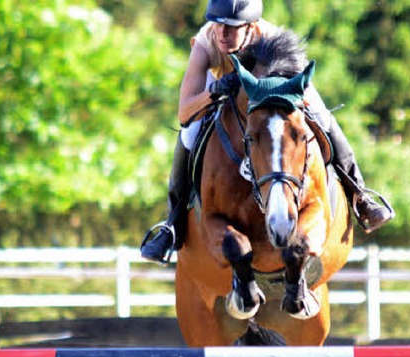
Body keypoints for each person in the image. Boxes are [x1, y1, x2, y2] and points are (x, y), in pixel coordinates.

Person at [141, 0, 394, 264]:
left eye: (232, 27)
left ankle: (360, 196)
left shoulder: (269, 38)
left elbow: (295, 93)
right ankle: (172, 224)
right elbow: (184, 111)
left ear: (250, 26)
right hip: (219, 89)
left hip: (270, 94)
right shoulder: (207, 42)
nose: (222, 34)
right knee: (189, 132)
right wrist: (213, 92)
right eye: (218, 25)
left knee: (324, 117)